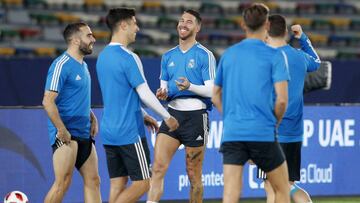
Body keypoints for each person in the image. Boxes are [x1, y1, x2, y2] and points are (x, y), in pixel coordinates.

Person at [96, 8, 179, 203]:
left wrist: (143, 115)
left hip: (109, 131)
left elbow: (119, 96)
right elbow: (144, 94)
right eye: (134, 23)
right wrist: (167, 116)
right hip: (129, 132)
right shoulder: (129, 57)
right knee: (144, 183)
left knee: (118, 184)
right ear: (123, 25)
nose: (138, 28)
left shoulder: (102, 57)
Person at [212, 3, 291, 203]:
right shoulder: (275, 55)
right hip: (262, 132)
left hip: (233, 133)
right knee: (282, 190)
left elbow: (215, 96)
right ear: (266, 24)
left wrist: (229, 119)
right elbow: (281, 100)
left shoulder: (228, 55)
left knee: (230, 195)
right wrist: (274, 123)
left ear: (242, 24)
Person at [147, 9, 216, 203]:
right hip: (172, 115)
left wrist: (190, 86)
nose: (183, 24)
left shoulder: (205, 55)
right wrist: (162, 93)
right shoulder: (167, 56)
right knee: (158, 168)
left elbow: (212, 91)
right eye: (181, 21)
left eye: (189, 22)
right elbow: (164, 89)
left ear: (198, 27)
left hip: (196, 117)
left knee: (194, 176)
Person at [257, 15, 321, 203]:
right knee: (288, 185)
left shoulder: (264, 59)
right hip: (294, 132)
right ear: (285, 32)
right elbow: (316, 62)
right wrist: (302, 37)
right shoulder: (299, 56)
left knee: (270, 186)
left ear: (266, 32)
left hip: (272, 132)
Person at [43, 22, 101, 203]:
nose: (94, 39)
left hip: (84, 131)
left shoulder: (83, 65)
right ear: (76, 40)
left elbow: (74, 96)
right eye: (89, 35)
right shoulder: (61, 64)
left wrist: (92, 116)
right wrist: (61, 130)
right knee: (63, 183)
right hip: (67, 134)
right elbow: (48, 101)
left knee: (94, 181)